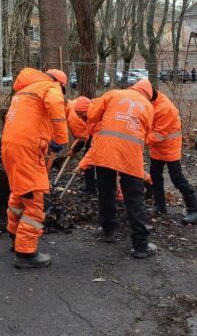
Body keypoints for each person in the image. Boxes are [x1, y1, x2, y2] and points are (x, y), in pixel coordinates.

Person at [78, 79, 156, 259]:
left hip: (106, 151)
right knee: (134, 198)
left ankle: (108, 232)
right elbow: (147, 135)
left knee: (106, 192)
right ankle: (140, 246)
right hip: (131, 154)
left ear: (133, 87)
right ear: (147, 94)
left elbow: (92, 114)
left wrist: (100, 128)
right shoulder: (148, 106)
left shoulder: (113, 94)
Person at [2, 68, 68, 269]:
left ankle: (15, 235)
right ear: (60, 83)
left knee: (20, 193)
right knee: (36, 200)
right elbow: (56, 105)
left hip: (10, 147)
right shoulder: (50, 86)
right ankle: (26, 253)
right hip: (28, 150)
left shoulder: (24, 92)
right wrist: (61, 138)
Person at [141, 79, 197, 224]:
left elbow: (159, 134)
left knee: (177, 178)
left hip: (169, 149)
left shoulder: (165, 108)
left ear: (148, 95)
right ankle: (160, 206)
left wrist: (138, 142)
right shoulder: (150, 103)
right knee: (155, 176)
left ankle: (195, 210)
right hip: (157, 148)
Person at [65, 96, 97, 195]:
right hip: (93, 135)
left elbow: (83, 138)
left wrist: (74, 150)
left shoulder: (72, 117)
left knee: (88, 160)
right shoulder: (74, 104)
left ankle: (91, 188)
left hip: (96, 136)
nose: (80, 117)